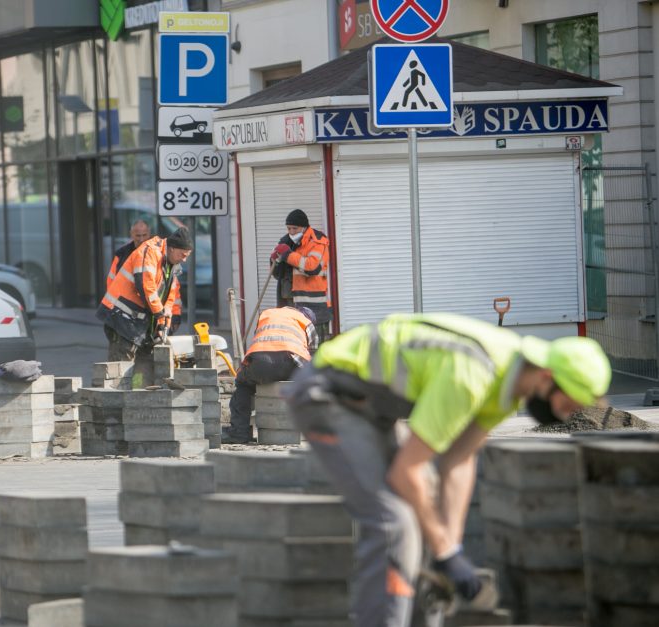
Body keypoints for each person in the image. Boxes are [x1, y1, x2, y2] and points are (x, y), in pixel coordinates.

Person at [285, 313, 611, 627]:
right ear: (546, 378)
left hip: (369, 408)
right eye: (568, 405)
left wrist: (449, 549)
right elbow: (406, 472)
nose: (568, 415)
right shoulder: (472, 374)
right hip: (324, 393)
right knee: (393, 523)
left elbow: (460, 459)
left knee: (426, 525)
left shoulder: (509, 386)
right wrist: (445, 550)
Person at [97, 227, 193, 385]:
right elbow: (146, 286)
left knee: (141, 370)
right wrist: (160, 314)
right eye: (183, 255)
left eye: (187, 256)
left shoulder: (171, 264)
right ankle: (118, 404)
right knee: (120, 371)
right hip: (122, 319)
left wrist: (164, 324)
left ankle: (137, 400)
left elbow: (170, 296)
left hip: (140, 323)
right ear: (172, 248)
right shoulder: (150, 252)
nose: (184, 260)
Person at [224, 305, 319, 444]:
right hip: (291, 363)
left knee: (243, 385)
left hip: (261, 363)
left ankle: (239, 433)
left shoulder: (267, 314)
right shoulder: (306, 322)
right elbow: (313, 352)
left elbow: (262, 339)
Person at [271, 209, 333, 342]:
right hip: (290, 302)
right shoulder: (286, 241)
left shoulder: (318, 241)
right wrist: (274, 260)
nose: (292, 232)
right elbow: (277, 274)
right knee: (293, 344)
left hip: (314, 306)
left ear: (304, 227)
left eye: (295, 228)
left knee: (315, 347)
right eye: (289, 228)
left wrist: (287, 255)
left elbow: (312, 267)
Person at [106, 220, 151, 291]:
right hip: (127, 298)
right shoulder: (121, 254)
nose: (141, 239)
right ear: (131, 234)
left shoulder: (157, 252)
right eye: (138, 235)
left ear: (149, 234)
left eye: (144, 235)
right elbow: (112, 280)